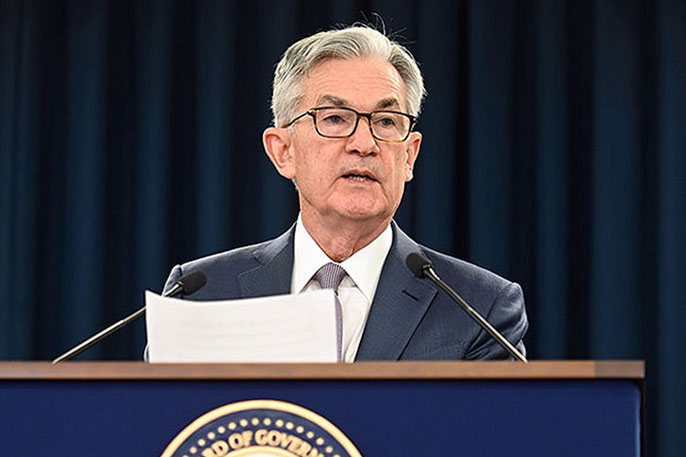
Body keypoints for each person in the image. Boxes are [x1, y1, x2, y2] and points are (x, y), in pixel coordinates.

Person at [163, 25, 528, 361]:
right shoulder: (200, 294)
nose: (364, 144)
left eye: (386, 122)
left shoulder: (480, 308)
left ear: (409, 155)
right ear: (283, 151)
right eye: (335, 118)